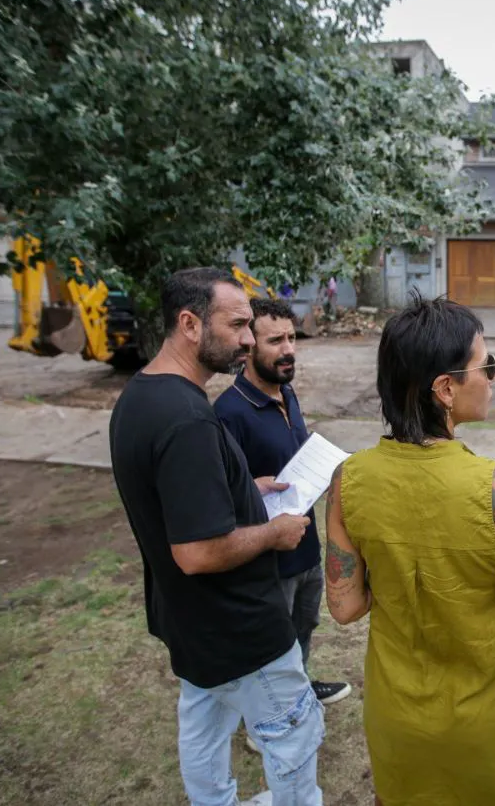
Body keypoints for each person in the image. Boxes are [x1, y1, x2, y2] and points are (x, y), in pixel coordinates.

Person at [323, 295, 495, 806]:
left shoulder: (346, 480)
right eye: (486, 366)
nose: (492, 378)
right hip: (484, 723)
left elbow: (345, 607)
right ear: (446, 389)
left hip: (398, 718)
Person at [109, 268, 323, 806]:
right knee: (294, 735)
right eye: (237, 326)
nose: (248, 340)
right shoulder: (189, 421)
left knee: (203, 728)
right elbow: (198, 552)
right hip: (239, 627)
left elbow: (174, 501)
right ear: (189, 324)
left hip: (190, 623)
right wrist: (273, 532)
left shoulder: (140, 398)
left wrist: (243, 486)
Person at [214, 297, 352, 709]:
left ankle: (298, 691)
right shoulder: (228, 413)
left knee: (303, 627)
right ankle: (268, 714)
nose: (288, 349)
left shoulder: (287, 394)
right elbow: (217, 495)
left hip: (305, 547)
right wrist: (248, 489)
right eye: (275, 341)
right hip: (266, 560)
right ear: (248, 345)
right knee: (270, 642)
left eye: (292, 338)